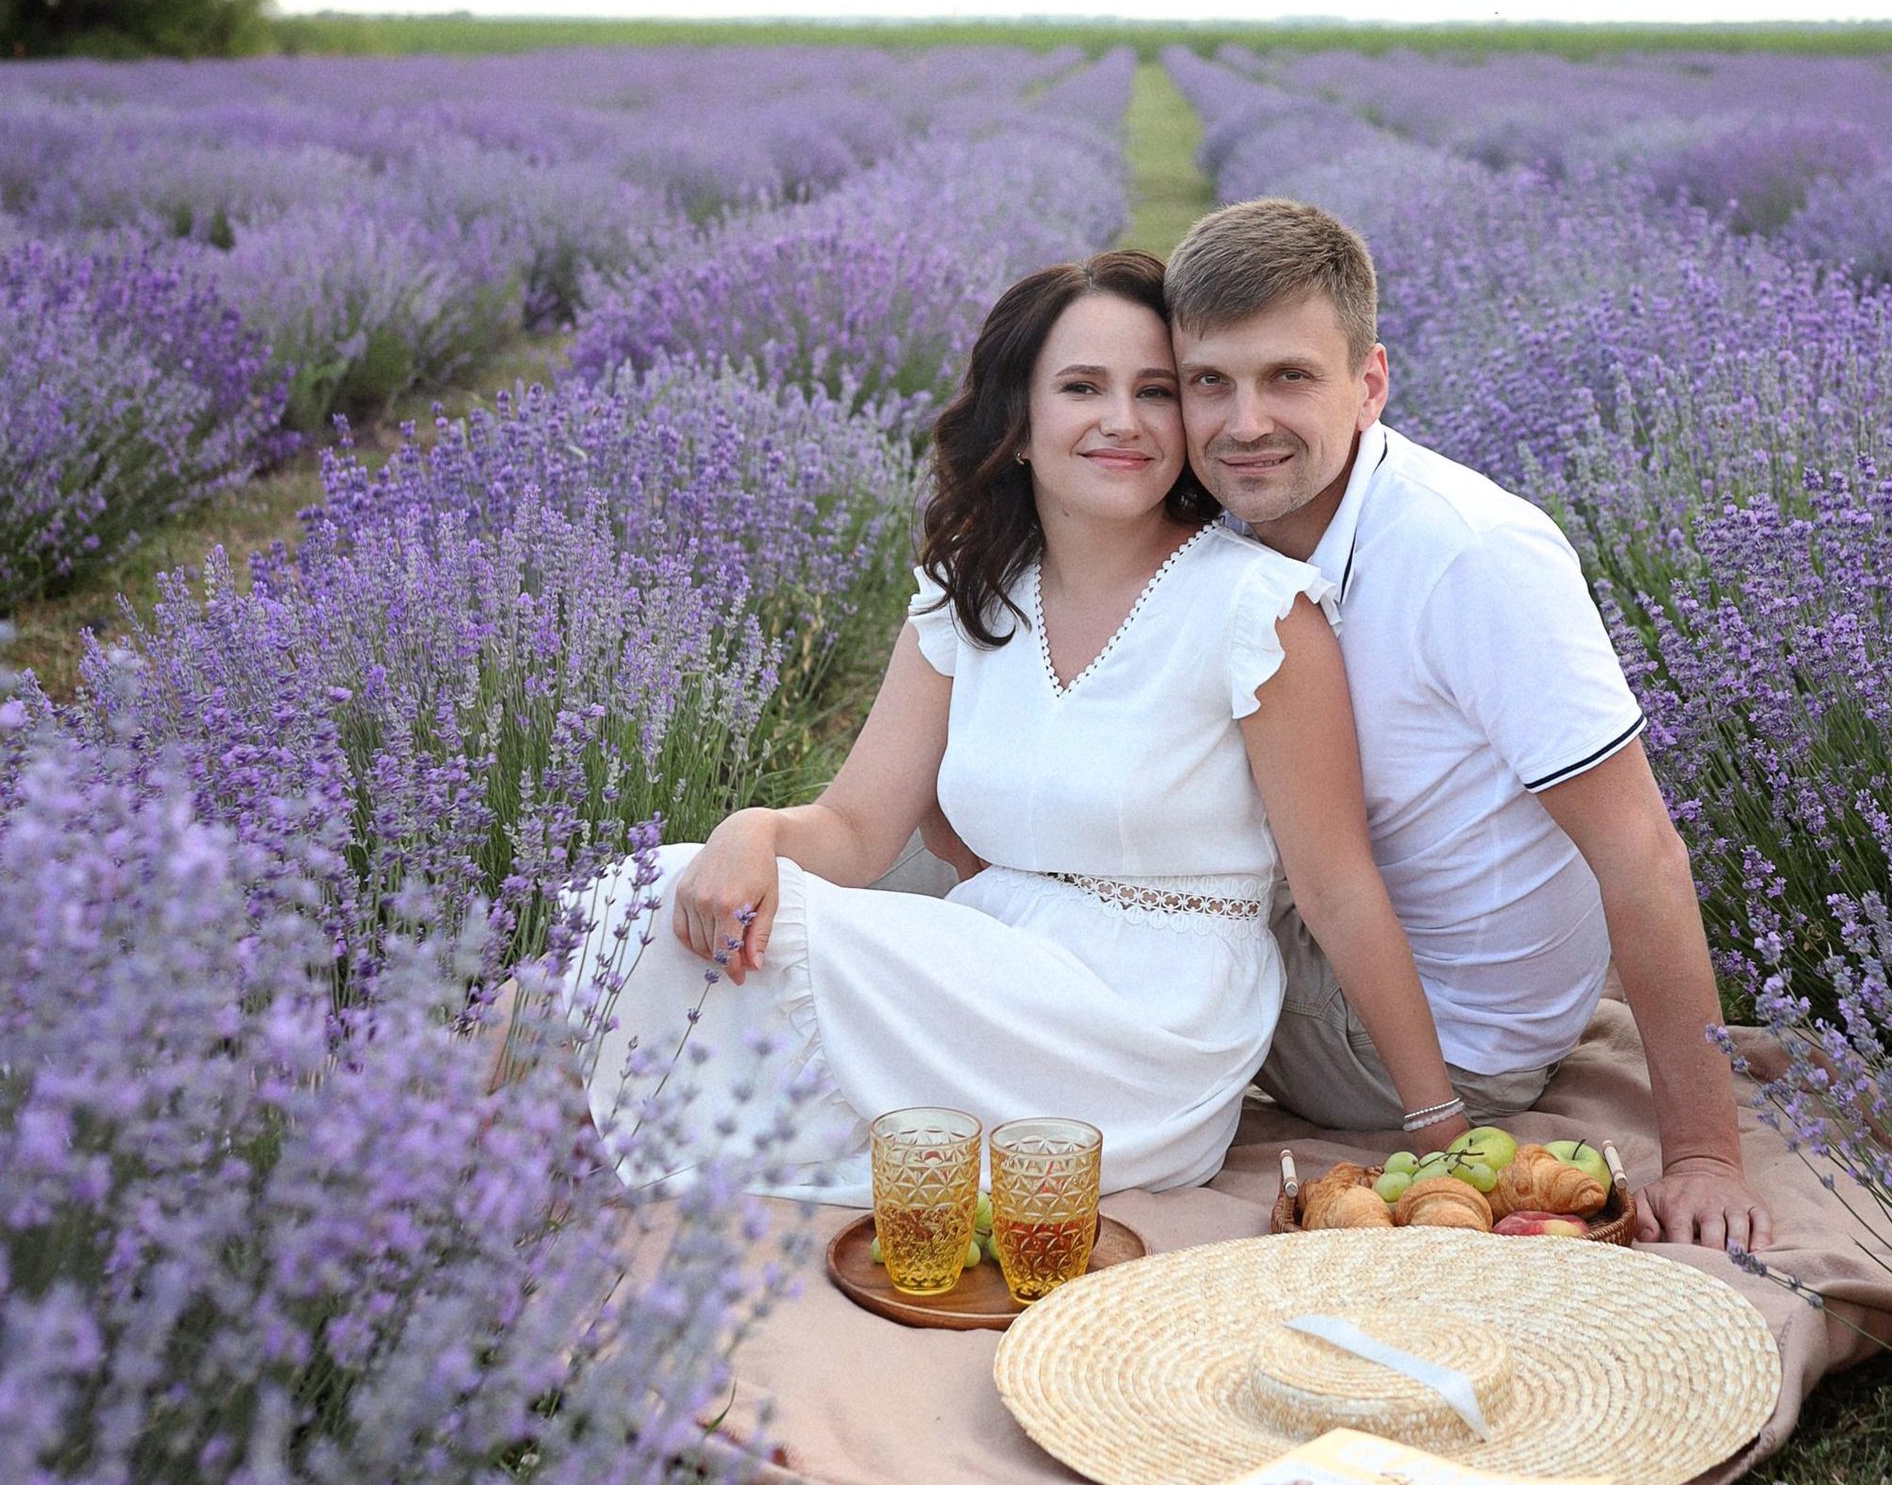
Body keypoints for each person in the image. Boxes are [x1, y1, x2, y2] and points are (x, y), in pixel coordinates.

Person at [565, 249, 1466, 1204]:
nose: (1122, 420)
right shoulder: (970, 594)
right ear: (1023, 426)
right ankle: (495, 1155)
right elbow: (858, 831)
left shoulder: (1258, 610)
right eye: (1083, 387)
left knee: (674, 912)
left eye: (1155, 391)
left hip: (1155, 1024)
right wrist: (752, 832)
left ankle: (482, 1155)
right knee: (650, 896)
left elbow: (1337, 890)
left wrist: (1438, 1126)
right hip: (990, 963)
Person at [1160, 197, 1767, 1253]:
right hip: (1358, 944)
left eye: (1288, 378)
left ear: (1371, 384)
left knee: (1013, 865)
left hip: (1426, 1043)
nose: (1242, 422)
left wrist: (1705, 1153)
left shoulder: (1469, 555)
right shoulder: (1247, 522)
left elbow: (1642, 854)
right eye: (1209, 382)